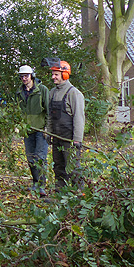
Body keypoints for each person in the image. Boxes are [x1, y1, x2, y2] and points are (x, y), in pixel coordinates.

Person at [47, 60, 85, 192]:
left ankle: (79, 195)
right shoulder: (52, 93)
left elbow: (79, 118)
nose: (53, 77)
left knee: (73, 168)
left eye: (56, 74)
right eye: (53, 74)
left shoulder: (74, 93)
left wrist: (77, 139)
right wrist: (48, 133)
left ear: (65, 75)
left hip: (70, 139)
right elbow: (50, 117)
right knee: (58, 166)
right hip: (56, 137)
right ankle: (59, 195)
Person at [15, 64, 50, 196]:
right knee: (30, 158)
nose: (24, 78)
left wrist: (47, 127)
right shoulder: (19, 92)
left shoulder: (42, 90)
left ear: (32, 76)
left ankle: (42, 185)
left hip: (41, 129)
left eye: (26, 76)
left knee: (40, 157)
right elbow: (18, 111)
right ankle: (35, 183)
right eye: (22, 76)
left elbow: (48, 109)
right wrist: (19, 126)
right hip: (27, 130)